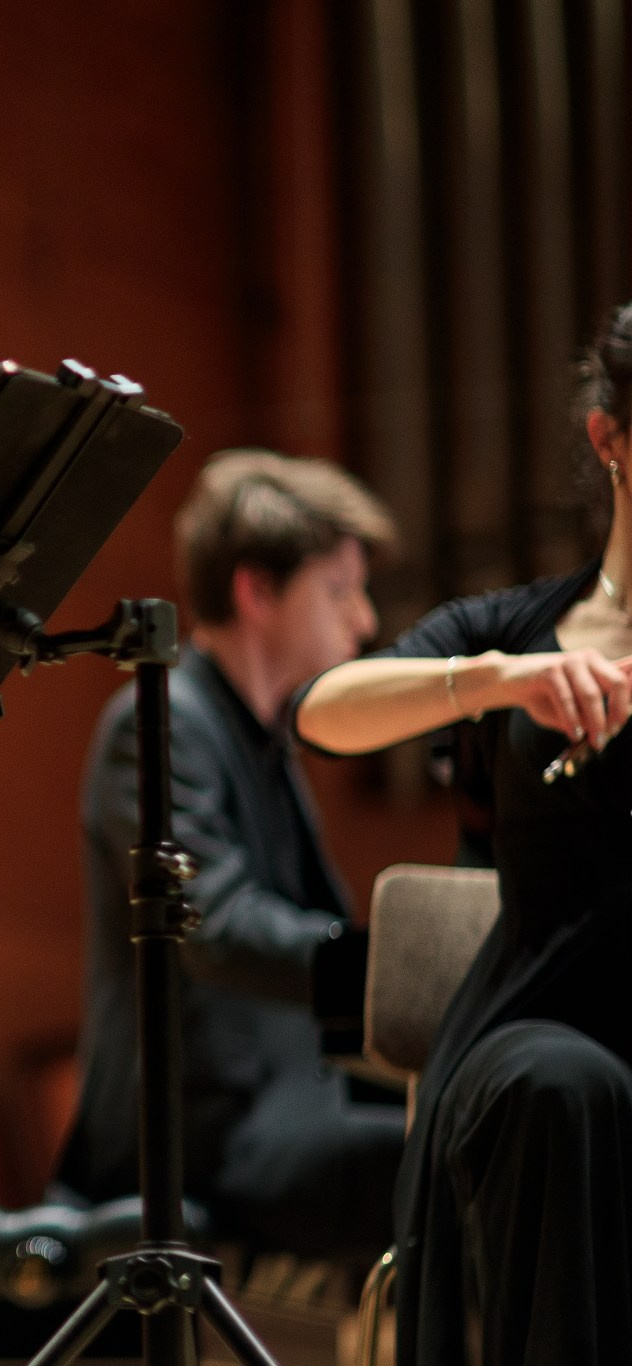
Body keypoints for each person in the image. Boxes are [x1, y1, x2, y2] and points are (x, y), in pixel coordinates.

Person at [296, 306, 632, 1366]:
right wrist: (496, 681)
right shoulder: (520, 632)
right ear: (610, 439)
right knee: (559, 1091)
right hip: (537, 1021)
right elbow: (323, 710)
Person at [54, 450, 406, 1261]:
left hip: (273, 1113)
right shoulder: (161, 722)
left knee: (490, 1125)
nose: (364, 621)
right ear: (258, 592)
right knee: (462, 1156)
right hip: (197, 1130)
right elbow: (216, 925)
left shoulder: (265, 741)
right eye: (340, 590)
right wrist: (394, 967)